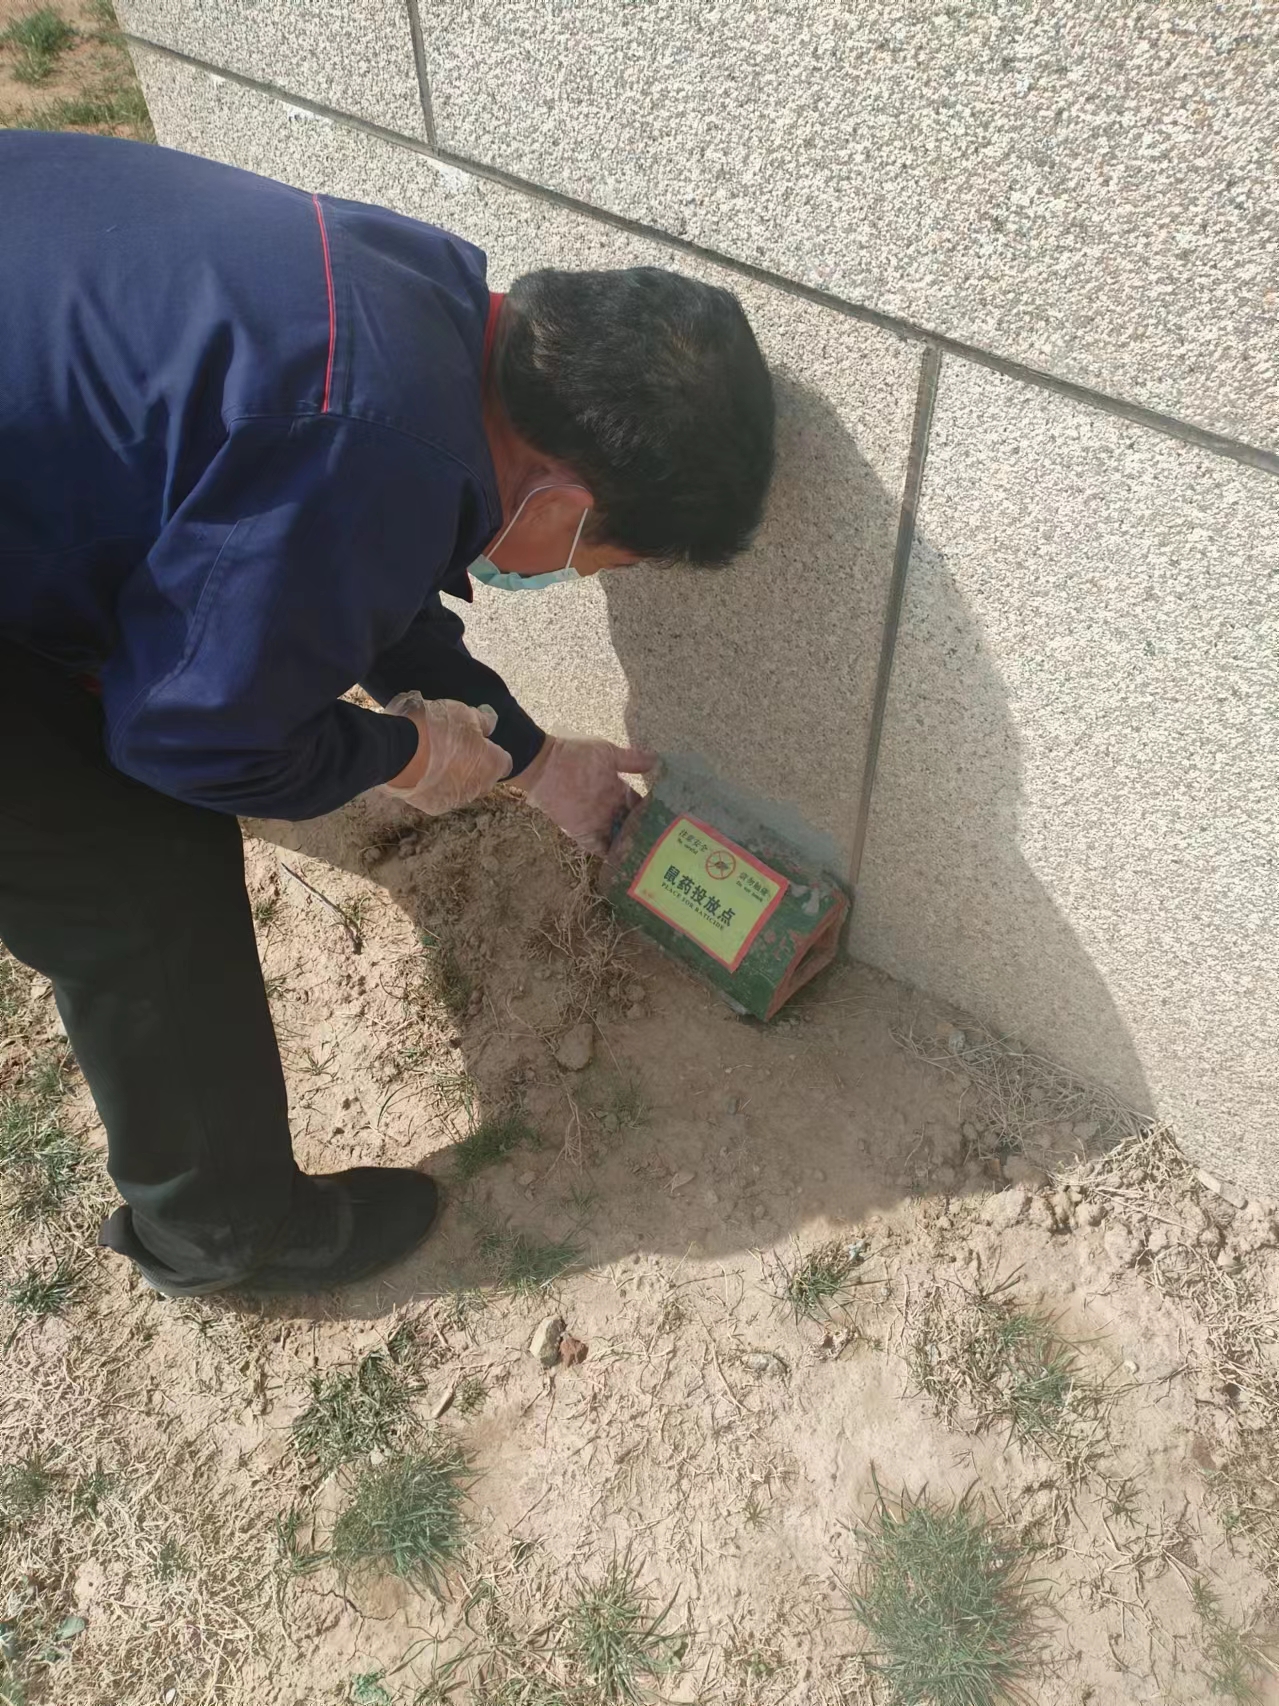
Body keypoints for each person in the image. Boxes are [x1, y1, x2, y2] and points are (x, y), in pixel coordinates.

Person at [0, 132, 775, 1300]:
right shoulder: (369, 446)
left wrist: (528, 756)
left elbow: (353, 552)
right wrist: (402, 754)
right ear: (563, 501)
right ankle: (223, 1235)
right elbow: (187, 736)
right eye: (596, 559)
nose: (571, 576)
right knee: (133, 865)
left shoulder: (418, 304)